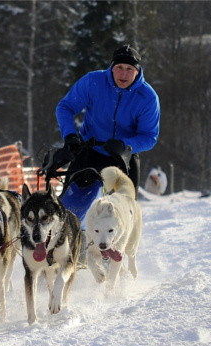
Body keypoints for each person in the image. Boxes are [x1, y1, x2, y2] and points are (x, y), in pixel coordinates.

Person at [54, 44, 160, 225]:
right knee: (69, 211)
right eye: (119, 67)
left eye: (129, 69)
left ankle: (114, 249)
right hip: (89, 151)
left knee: (123, 217)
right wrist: (70, 135)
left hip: (123, 157)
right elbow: (65, 107)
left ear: (137, 71)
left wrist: (125, 144)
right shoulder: (93, 82)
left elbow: (149, 137)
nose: (123, 74)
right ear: (112, 67)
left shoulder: (147, 97)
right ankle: (67, 243)